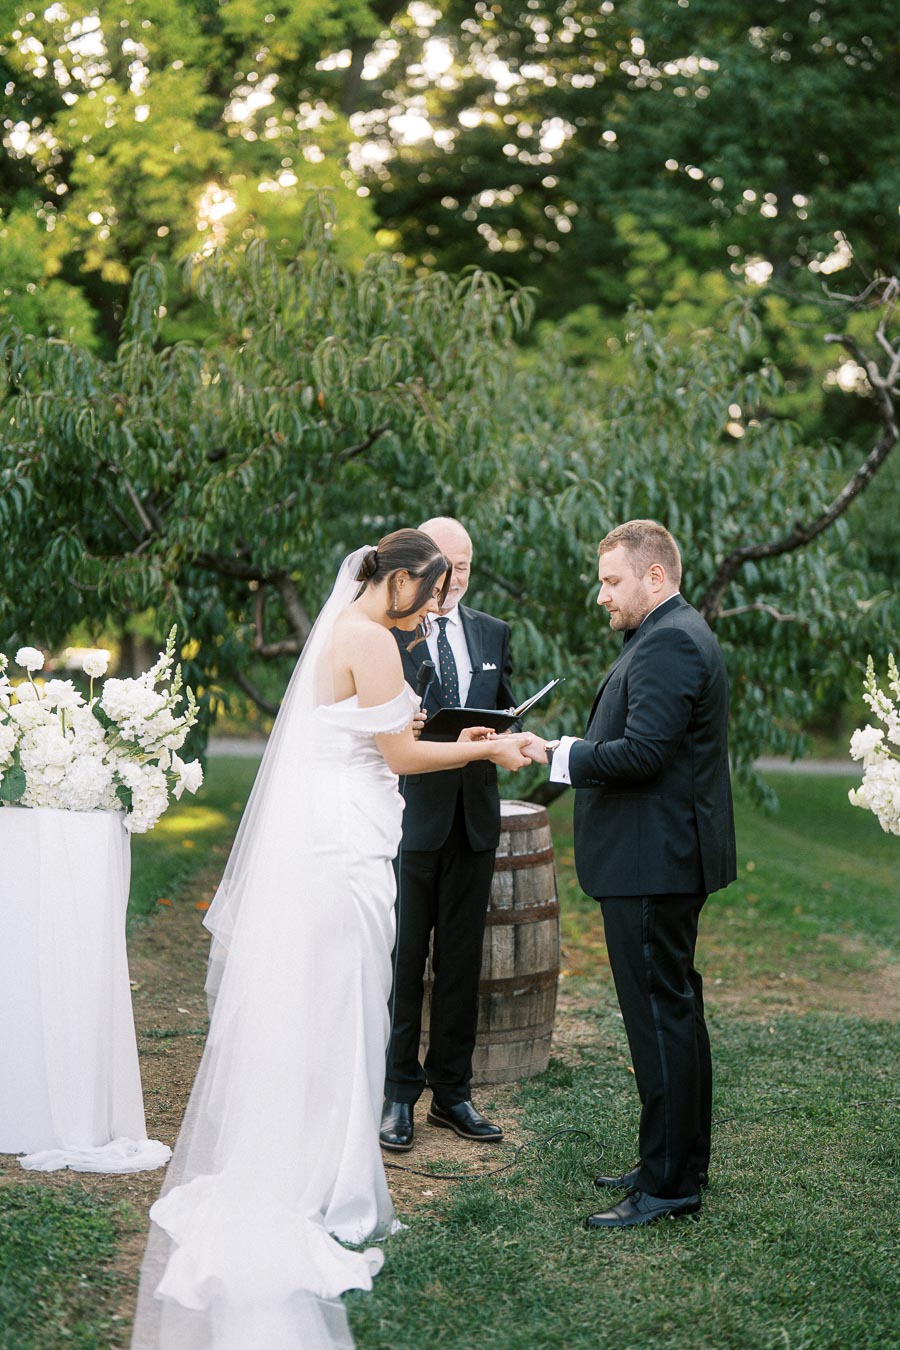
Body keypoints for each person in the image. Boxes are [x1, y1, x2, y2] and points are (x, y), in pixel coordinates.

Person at [130, 530, 531, 1350]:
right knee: (344, 1002)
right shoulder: (372, 638)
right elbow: (400, 755)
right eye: (430, 592)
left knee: (327, 999)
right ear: (404, 581)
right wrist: (495, 743)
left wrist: (428, 732)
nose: (431, 611)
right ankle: (329, 1179)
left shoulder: (345, 628)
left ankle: (320, 1156)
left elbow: (372, 733)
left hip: (328, 829)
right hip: (347, 842)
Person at [525, 519, 736, 1230]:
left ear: (655, 575)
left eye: (612, 581)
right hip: (662, 859)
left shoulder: (671, 639)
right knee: (672, 1012)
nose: (600, 595)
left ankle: (670, 1184)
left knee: (659, 1018)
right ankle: (673, 1161)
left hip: (655, 862)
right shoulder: (668, 634)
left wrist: (559, 754)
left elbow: (642, 753)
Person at [380, 517, 515, 1152]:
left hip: (474, 818)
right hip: (408, 817)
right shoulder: (389, 631)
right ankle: (398, 1093)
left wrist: (505, 732)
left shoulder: (494, 632)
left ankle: (452, 1094)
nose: (456, 580)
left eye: (465, 567)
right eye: (446, 567)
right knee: (405, 959)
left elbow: (504, 707)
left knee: (462, 962)